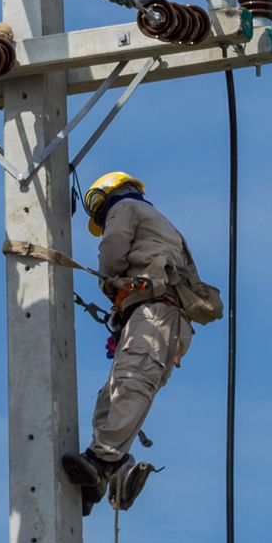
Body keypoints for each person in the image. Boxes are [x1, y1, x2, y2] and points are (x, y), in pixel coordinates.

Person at [61, 170, 215, 513]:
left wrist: (108, 283)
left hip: (158, 314)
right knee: (112, 395)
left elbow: (113, 252)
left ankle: (103, 460)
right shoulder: (158, 223)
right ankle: (103, 473)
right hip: (161, 317)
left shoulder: (125, 207)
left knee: (131, 384)